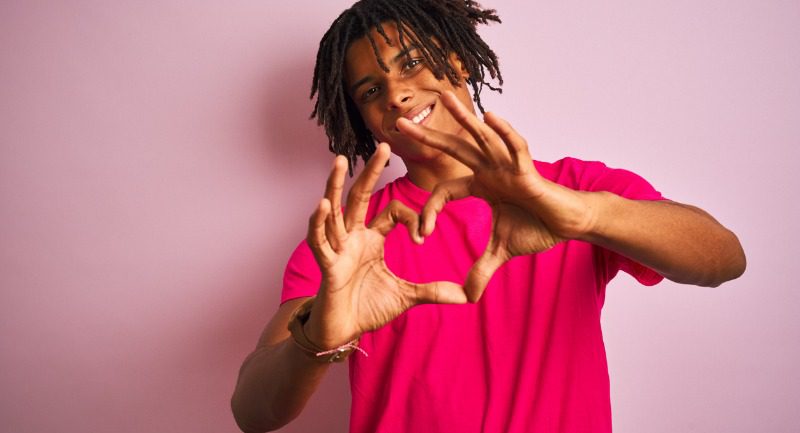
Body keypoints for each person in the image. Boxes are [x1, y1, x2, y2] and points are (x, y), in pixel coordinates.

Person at [231, 0, 746, 432]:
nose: (396, 94)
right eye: (370, 91)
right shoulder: (347, 240)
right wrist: (319, 334)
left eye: (411, 63)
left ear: (458, 61)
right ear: (363, 120)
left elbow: (724, 258)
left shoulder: (572, 187)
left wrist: (582, 215)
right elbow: (252, 412)